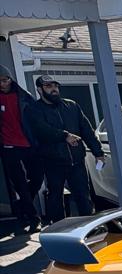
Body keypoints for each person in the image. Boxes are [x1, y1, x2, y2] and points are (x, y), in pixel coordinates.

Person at [23, 74, 103, 224]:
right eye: (48, 86)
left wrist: (98, 152)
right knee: (55, 198)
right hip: (52, 162)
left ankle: (89, 228)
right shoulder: (33, 109)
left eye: (55, 86)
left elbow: (86, 129)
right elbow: (41, 130)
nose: (53, 89)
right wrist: (64, 136)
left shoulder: (71, 106)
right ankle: (59, 229)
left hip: (77, 161)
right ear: (39, 90)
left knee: (83, 197)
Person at [0, 64, 41, 233]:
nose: (2, 84)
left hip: (28, 144)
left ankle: (21, 206)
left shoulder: (24, 96)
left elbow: (36, 120)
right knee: (20, 183)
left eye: (5, 80)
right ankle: (33, 218)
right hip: (8, 146)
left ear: (10, 79)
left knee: (37, 177)